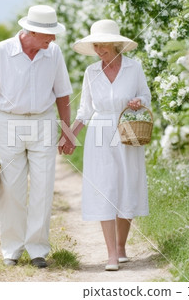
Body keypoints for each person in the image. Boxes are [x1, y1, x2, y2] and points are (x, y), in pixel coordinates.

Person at [0, 5, 74, 268]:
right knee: (11, 189)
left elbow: (62, 94)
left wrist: (67, 131)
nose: (53, 39)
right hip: (9, 122)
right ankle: (12, 250)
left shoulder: (54, 53)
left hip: (43, 121)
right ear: (32, 31)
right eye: (48, 35)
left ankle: (37, 249)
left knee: (43, 187)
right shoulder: (1, 51)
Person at [63, 19, 151, 271]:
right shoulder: (91, 72)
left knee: (126, 185)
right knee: (104, 187)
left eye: (103, 45)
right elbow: (85, 109)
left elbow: (146, 96)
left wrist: (137, 101)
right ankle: (111, 254)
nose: (99, 50)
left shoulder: (134, 68)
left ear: (115, 44)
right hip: (99, 131)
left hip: (127, 129)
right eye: (96, 46)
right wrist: (70, 135)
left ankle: (122, 247)